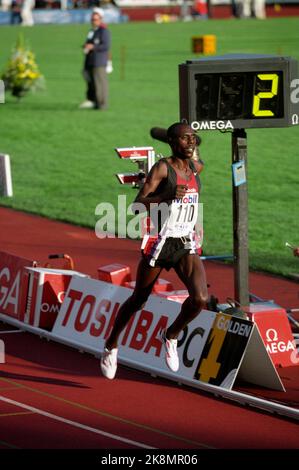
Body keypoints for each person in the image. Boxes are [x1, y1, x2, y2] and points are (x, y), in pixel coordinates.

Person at [100, 122, 208, 379]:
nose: (191, 142)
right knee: (139, 299)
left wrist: (189, 137)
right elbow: (137, 206)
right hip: (160, 242)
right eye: (185, 139)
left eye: (193, 138)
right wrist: (167, 196)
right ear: (173, 143)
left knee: (200, 299)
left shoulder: (194, 166)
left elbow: (197, 146)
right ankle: (111, 344)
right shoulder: (162, 168)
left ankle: (170, 335)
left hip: (184, 242)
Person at [79, 8, 110, 110]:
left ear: (100, 19)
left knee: (100, 84)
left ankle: (102, 104)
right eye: (92, 19)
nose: (93, 21)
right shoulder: (92, 31)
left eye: (95, 19)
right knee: (92, 84)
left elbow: (106, 46)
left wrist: (93, 47)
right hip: (90, 61)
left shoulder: (104, 31)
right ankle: (94, 102)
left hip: (99, 62)